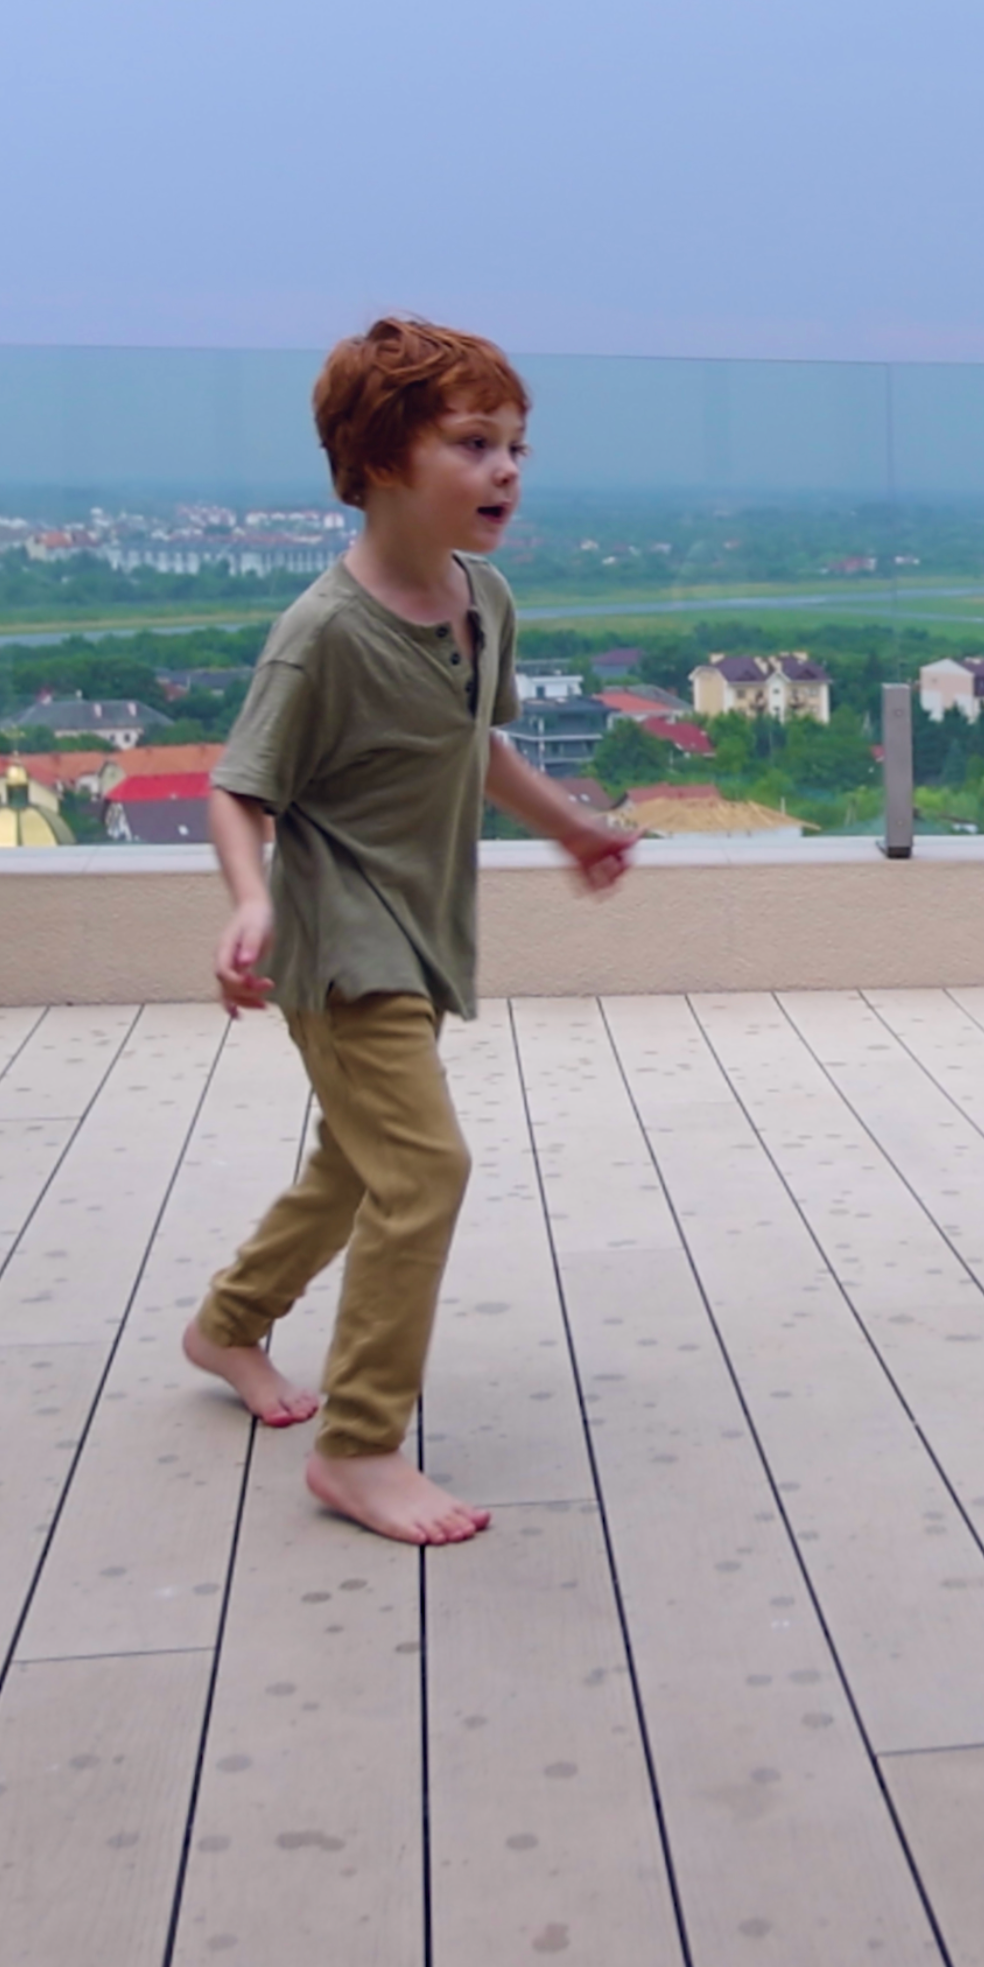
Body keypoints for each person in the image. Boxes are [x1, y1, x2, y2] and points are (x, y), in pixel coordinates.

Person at [179, 317, 636, 1546]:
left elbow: (473, 742)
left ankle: (228, 1325)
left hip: (421, 934)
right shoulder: (323, 633)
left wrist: (572, 828)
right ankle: (360, 1447)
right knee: (424, 1168)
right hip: (339, 948)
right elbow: (238, 787)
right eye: (474, 443)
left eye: (516, 446)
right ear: (382, 458)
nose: (507, 470)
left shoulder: (483, 599)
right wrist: (251, 899)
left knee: (358, 1161)